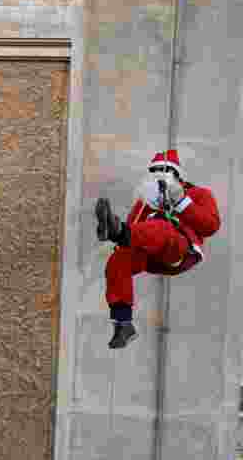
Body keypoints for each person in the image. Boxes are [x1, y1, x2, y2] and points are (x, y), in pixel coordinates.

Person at [94, 149, 221, 348]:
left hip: (181, 249)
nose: (158, 176)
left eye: (164, 171)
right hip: (151, 254)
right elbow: (136, 230)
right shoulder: (145, 202)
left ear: (178, 175)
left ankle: (116, 231)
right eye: (153, 171)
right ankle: (123, 323)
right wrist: (122, 246)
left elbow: (211, 226)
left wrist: (181, 201)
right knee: (119, 260)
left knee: (161, 229)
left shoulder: (198, 194)